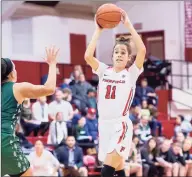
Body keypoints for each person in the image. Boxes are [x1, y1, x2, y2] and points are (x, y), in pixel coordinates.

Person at [84, 8, 146, 177]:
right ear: (112, 56)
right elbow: (88, 56)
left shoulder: (131, 73)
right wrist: (98, 30)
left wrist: (128, 25)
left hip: (120, 125)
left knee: (107, 171)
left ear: (129, 58)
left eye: (123, 53)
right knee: (118, 167)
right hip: (103, 124)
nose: (119, 55)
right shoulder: (104, 70)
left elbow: (142, 51)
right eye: (116, 52)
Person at [1, 46, 59, 177]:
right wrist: (52, 64)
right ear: (11, 73)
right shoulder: (18, 88)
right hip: (4, 141)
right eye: (15, 68)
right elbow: (49, 88)